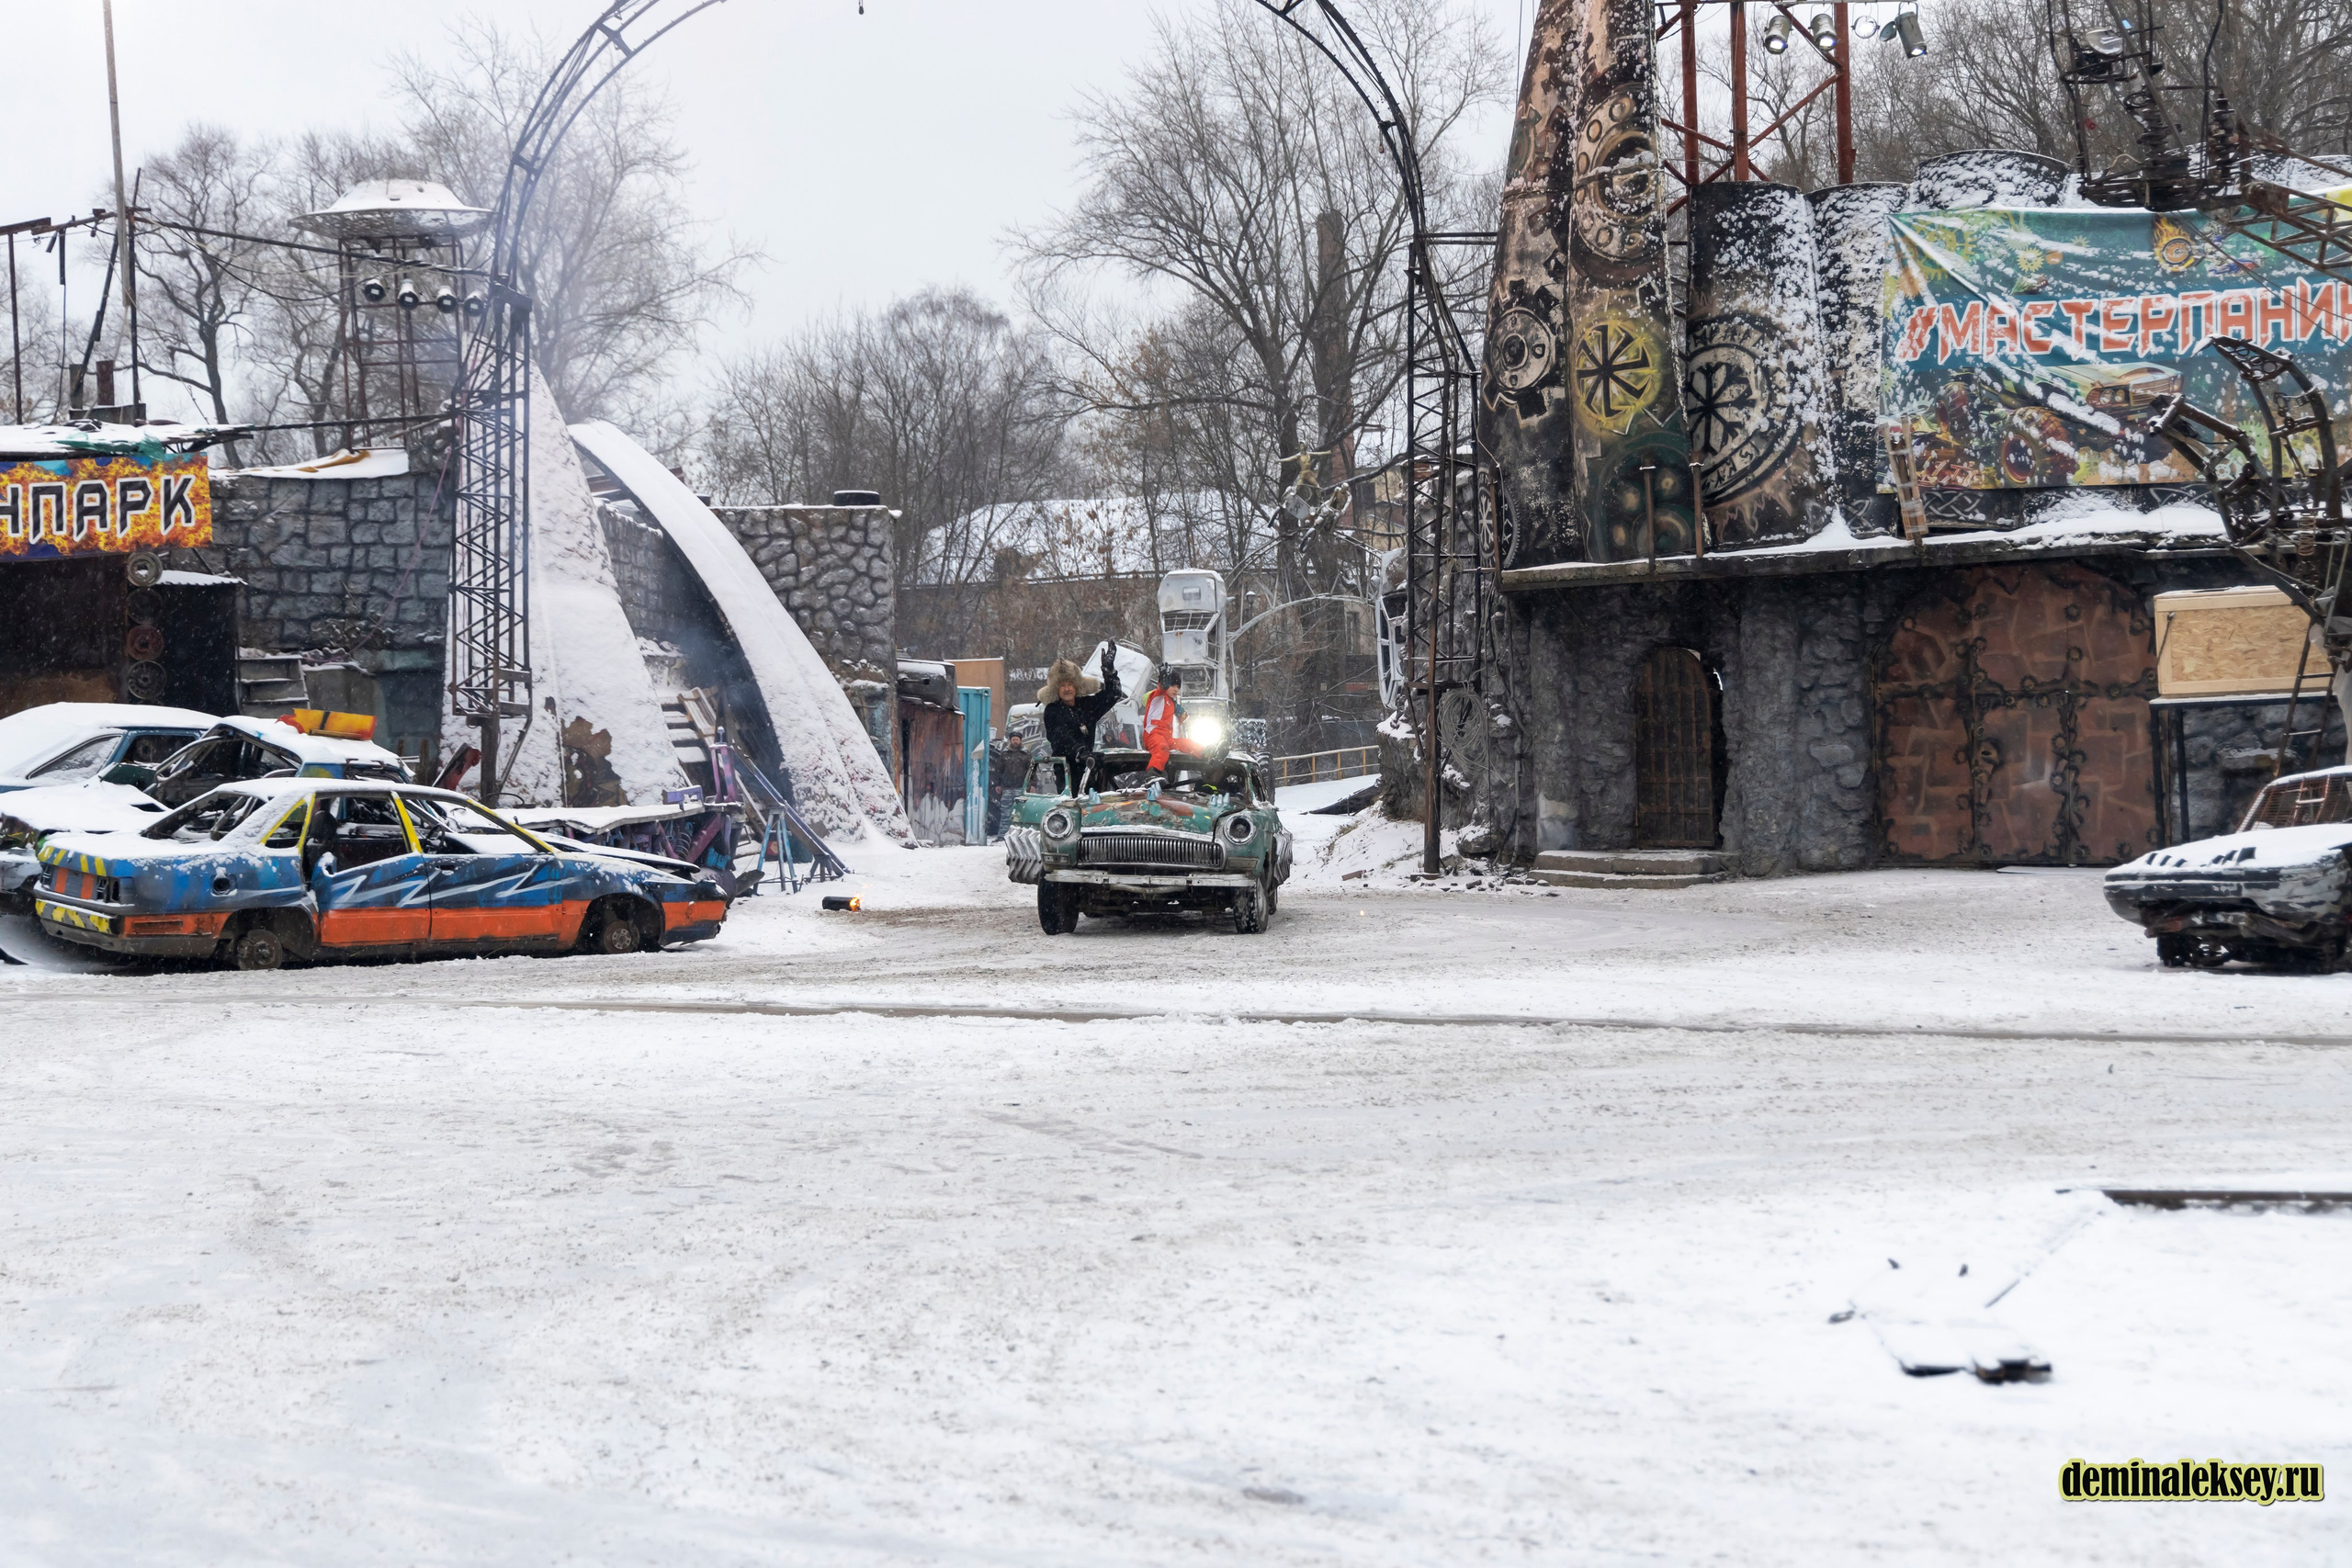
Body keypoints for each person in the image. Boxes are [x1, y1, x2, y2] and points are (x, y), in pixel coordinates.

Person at [1038, 641, 1124, 793]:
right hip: (1067, 771)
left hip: (1089, 766)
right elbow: (1059, 736)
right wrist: (1079, 751)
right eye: (1062, 685)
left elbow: (1113, 696)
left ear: (1077, 686)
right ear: (1056, 689)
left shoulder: (1086, 705)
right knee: (1073, 804)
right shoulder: (1052, 710)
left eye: (1070, 684)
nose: (1067, 689)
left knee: (1096, 802)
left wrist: (1109, 671)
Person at [1138, 662, 1199, 781]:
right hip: (1154, 735)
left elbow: (1181, 720)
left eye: (1178, 687)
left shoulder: (1171, 703)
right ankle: (1153, 773)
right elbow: (1160, 690)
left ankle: (1207, 753)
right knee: (1162, 748)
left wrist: (1182, 714)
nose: (1176, 689)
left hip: (1167, 737)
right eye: (1172, 685)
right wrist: (1163, 684)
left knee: (1186, 743)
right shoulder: (1157, 697)